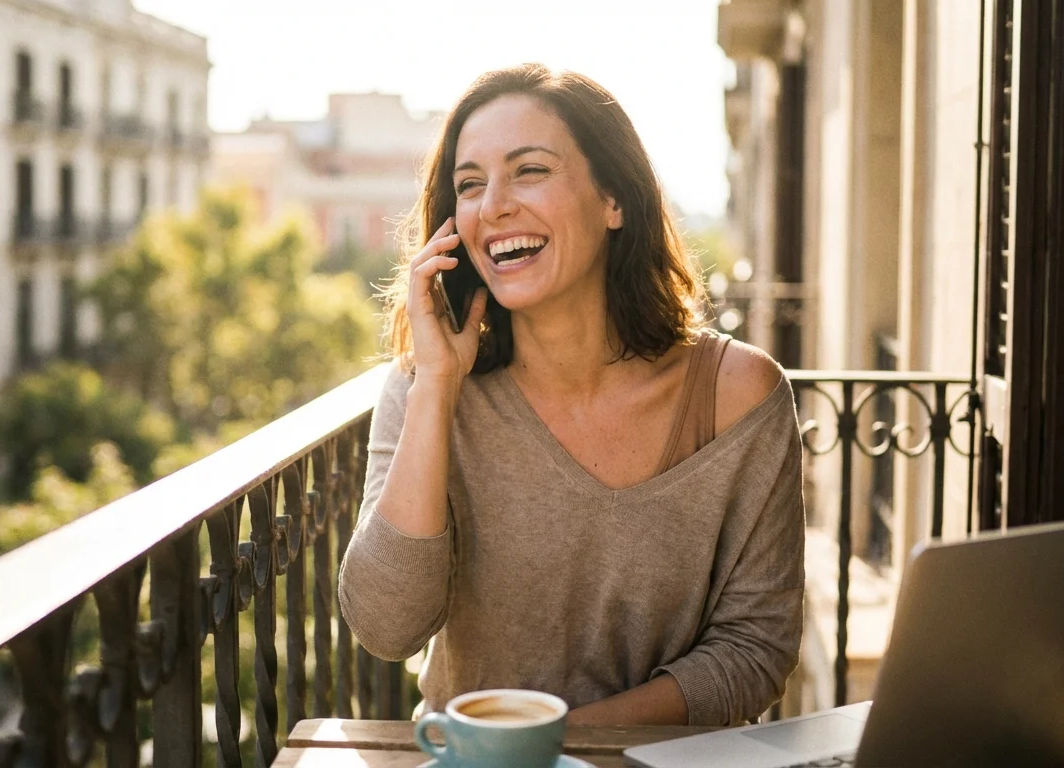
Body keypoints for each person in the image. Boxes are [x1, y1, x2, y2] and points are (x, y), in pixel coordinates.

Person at [336, 64, 805, 728]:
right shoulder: (425, 388)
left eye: (529, 171)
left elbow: (757, 649)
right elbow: (386, 628)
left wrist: (554, 744)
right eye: (469, 185)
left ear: (613, 199)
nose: (494, 204)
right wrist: (437, 389)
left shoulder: (737, 395)